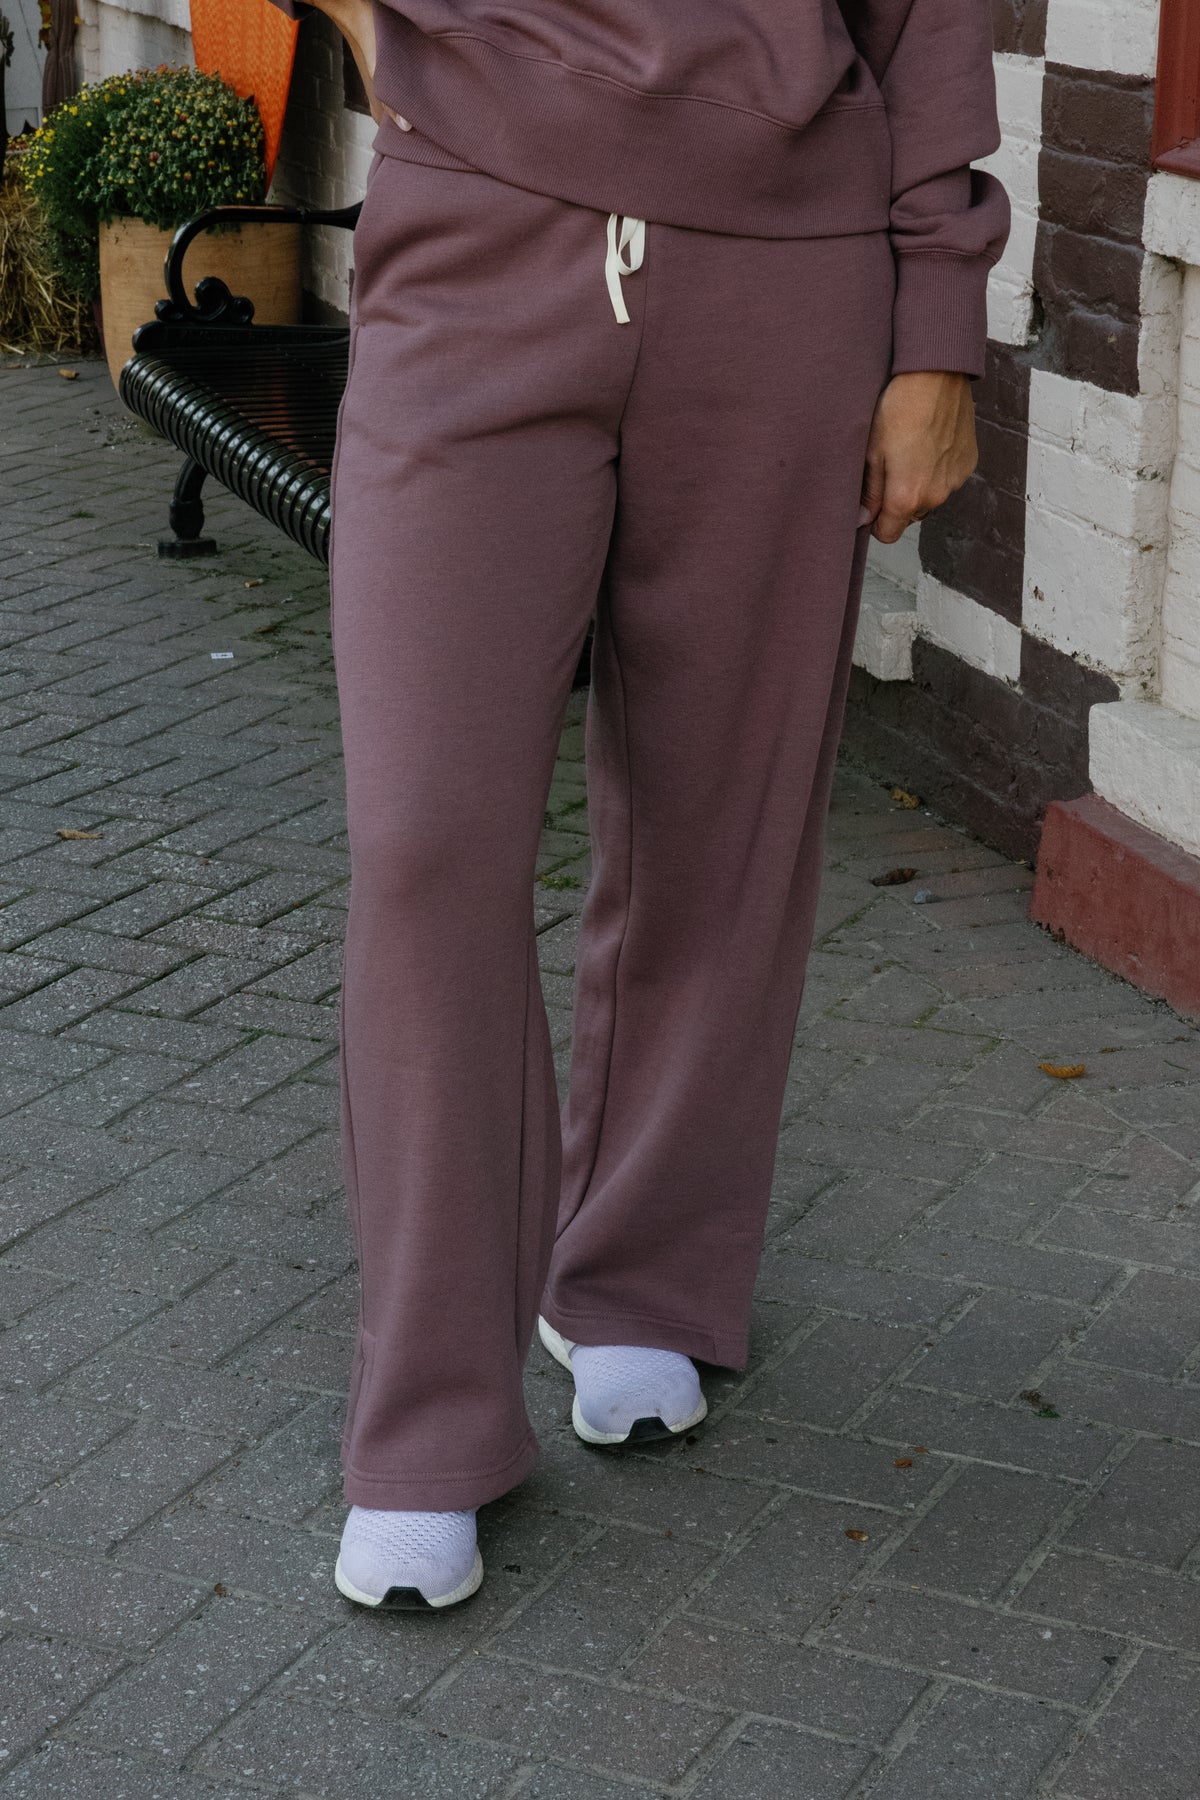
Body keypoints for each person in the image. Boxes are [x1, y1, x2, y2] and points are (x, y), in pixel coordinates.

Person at [267, 0, 1009, 1610]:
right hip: (475, 229)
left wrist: (937, 327)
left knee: (723, 819)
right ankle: (430, 1420)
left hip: (789, 271)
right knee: (426, 847)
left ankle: (643, 1274)